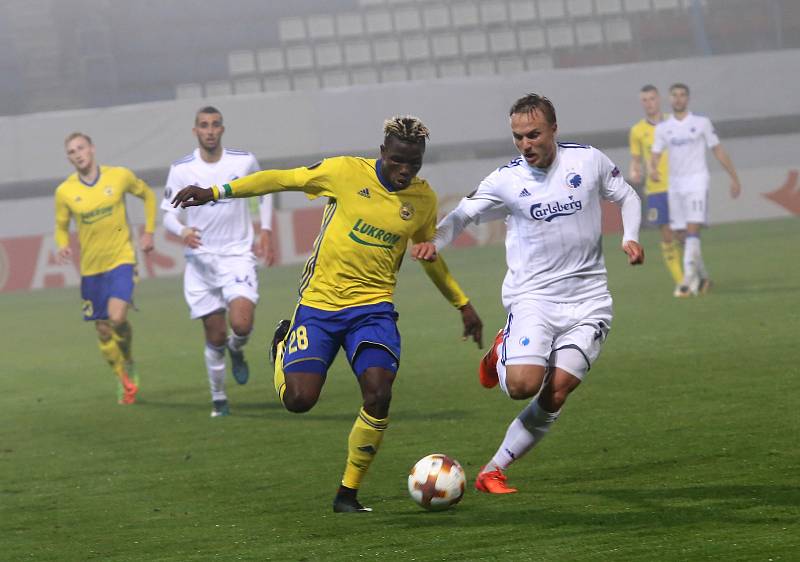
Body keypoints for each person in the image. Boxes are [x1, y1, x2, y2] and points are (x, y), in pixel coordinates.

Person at [172, 115, 483, 512]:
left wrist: (463, 304)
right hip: (319, 306)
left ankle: (347, 494)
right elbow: (281, 179)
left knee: (379, 393)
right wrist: (215, 191)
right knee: (299, 401)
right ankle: (284, 343)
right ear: (382, 152)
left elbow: (428, 255)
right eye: (398, 162)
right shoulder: (343, 172)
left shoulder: (422, 200)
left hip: (373, 310)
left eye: (414, 164)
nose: (405, 172)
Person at [412, 94, 644, 494]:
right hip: (533, 298)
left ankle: (492, 471)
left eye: (534, 134)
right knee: (522, 385)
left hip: (589, 302)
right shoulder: (506, 181)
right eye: (518, 137)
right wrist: (435, 242)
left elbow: (626, 195)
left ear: (554, 129)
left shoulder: (588, 161)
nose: (525, 144)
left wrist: (631, 237)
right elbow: (462, 215)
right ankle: (500, 349)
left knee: (556, 391)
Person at [161, 106, 274, 418]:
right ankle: (219, 399)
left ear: (222, 129)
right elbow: (168, 214)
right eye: (203, 126)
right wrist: (183, 230)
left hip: (237, 255)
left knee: (240, 324)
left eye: (214, 125)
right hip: (201, 262)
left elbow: (263, 192)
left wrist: (264, 229)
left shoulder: (243, 161)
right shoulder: (182, 169)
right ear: (195, 131)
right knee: (214, 336)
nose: (209, 130)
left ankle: (237, 350)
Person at [54, 132, 157, 404]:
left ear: (92, 149)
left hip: (121, 259)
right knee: (102, 330)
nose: (77, 154)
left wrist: (148, 232)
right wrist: (63, 244)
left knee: (118, 318)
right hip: (91, 270)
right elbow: (62, 225)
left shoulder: (119, 176)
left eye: (81, 148)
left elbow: (147, 195)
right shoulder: (65, 191)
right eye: (72, 151)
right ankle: (121, 375)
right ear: (69, 158)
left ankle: (129, 359)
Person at [650, 83, 742, 297]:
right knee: (680, 234)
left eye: (682, 95)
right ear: (670, 99)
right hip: (675, 185)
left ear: (688, 99)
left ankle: (686, 282)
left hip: (697, 182)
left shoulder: (701, 123)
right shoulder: (663, 128)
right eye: (675, 95)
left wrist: (734, 178)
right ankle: (703, 278)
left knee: (692, 229)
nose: (679, 99)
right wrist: (653, 169)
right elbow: (655, 155)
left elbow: (718, 150)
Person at [629, 84, 683, 292]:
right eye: (645, 100)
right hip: (656, 189)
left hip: (680, 186)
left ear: (658, 100)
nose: (649, 103)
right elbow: (635, 159)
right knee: (667, 235)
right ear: (642, 103)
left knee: (683, 234)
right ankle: (682, 282)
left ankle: (697, 273)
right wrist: (635, 171)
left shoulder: (675, 123)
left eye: (652, 98)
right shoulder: (637, 131)